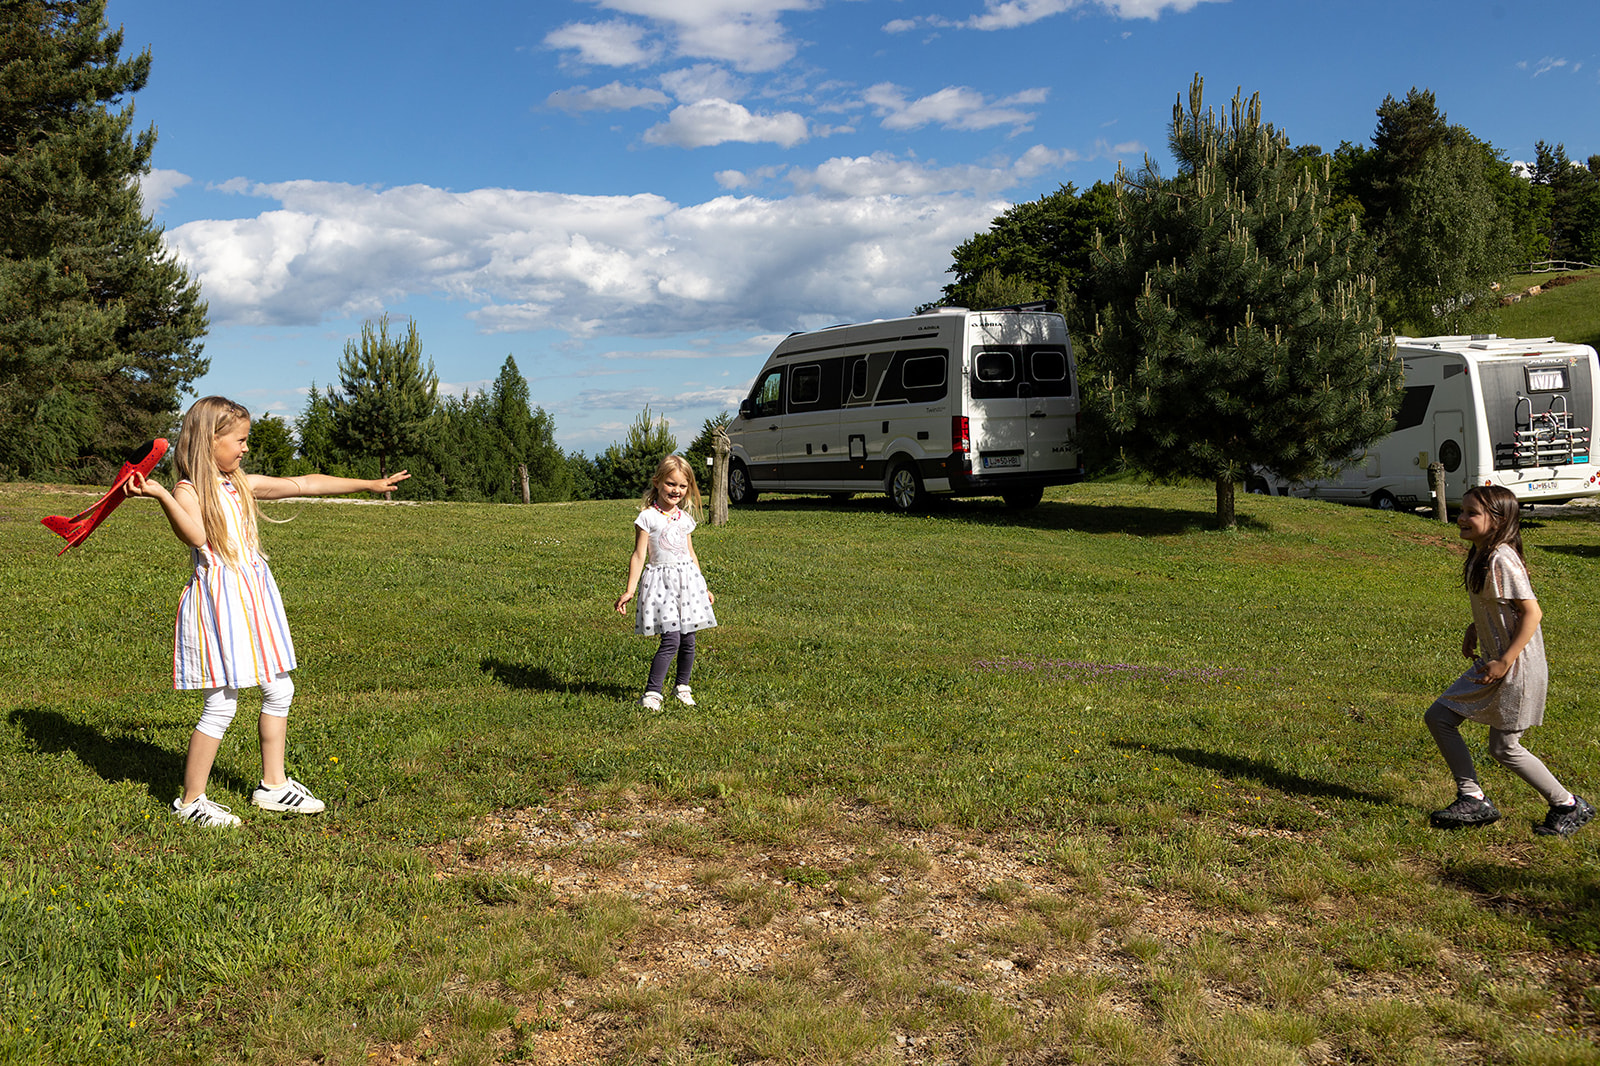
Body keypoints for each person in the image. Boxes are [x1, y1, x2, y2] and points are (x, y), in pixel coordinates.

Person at [126, 396, 410, 827]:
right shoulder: (188, 490)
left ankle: (273, 787)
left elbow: (305, 483)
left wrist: (368, 485)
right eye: (238, 440)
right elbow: (196, 535)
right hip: (221, 604)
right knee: (221, 704)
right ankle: (191, 802)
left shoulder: (240, 483)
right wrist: (163, 494)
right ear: (209, 440)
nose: (244, 449)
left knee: (280, 690)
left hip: (254, 599)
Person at [1424, 485, 1592, 836]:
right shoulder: (1482, 553)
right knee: (1442, 718)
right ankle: (1473, 797)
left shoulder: (1501, 558)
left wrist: (1504, 661)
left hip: (1513, 667)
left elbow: (1532, 613)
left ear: (1498, 522)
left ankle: (1568, 805)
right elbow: (1500, 605)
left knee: (1504, 747)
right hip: (1493, 662)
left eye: (1473, 513)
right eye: (1463, 510)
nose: (1462, 518)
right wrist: (1476, 626)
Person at [614, 455, 716, 710]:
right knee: (671, 638)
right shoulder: (647, 517)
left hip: (688, 583)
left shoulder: (684, 518)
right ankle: (652, 692)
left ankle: (682, 686)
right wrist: (629, 590)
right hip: (661, 584)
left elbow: (691, 554)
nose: (676, 491)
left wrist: (703, 586)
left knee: (688, 638)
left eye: (682, 486)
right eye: (671, 484)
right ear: (657, 482)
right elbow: (639, 555)